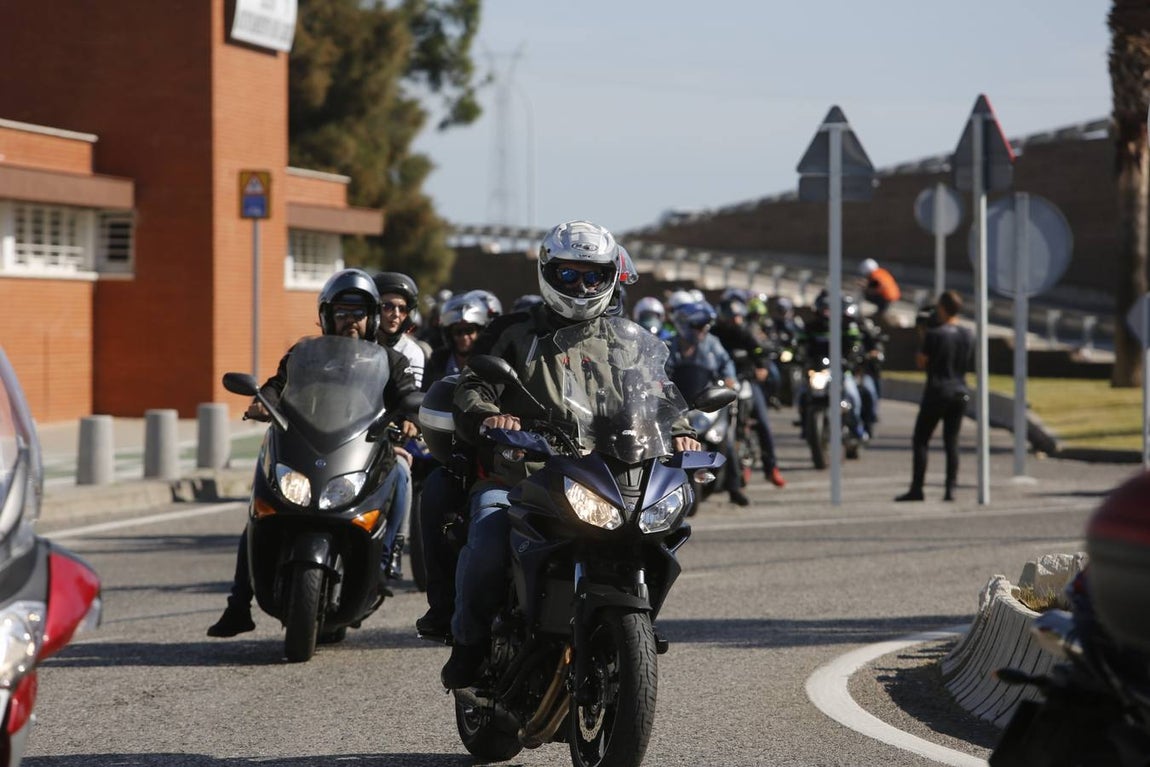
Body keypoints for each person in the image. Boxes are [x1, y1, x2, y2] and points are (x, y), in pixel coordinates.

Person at [439, 219, 700, 688]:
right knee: (487, 532)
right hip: (523, 476)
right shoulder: (514, 331)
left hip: (608, 474)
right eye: (568, 275)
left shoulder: (625, 338)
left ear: (610, 278)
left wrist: (680, 432)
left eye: (593, 276)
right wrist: (489, 416)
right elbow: (473, 385)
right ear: (547, 272)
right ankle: (471, 646)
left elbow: (659, 394)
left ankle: (628, 630)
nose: (581, 286)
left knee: (661, 528)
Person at [207, 268, 419, 637]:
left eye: (358, 313)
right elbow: (277, 386)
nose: (350, 321)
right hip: (308, 448)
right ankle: (238, 603)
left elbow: (405, 395)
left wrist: (413, 415)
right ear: (326, 315)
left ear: (371, 318)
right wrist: (263, 403)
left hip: (363, 449)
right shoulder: (304, 355)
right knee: (261, 509)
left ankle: (387, 560)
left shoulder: (389, 361)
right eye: (342, 312)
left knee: (401, 472)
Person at [665, 300, 749, 507]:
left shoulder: (712, 343)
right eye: (697, 326)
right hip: (679, 407)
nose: (702, 331)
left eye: (705, 326)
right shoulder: (669, 346)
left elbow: (726, 363)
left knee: (726, 441)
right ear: (684, 325)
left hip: (706, 405)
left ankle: (734, 487)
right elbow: (658, 372)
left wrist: (730, 380)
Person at [373, 271, 427, 578]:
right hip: (347, 432)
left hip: (389, 436)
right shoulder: (357, 339)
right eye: (387, 306)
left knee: (403, 472)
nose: (394, 314)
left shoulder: (412, 352)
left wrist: (407, 424)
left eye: (401, 309)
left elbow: (410, 399)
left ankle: (391, 548)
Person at [896, 290, 974, 503]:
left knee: (921, 439)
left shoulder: (934, 334)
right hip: (960, 390)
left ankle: (917, 488)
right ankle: (951, 489)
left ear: (942, 307)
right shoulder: (967, 334)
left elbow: (922, 362)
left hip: (938, 391)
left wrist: (923, 337)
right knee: (952, 442)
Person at [710, 296, 786, 488]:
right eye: (731, 316)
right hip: (720, 385)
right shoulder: (714, 335)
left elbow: (759, 351)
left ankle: (772, 468)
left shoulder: (746, 333)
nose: (736, 320)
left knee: (763, 423)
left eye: (738, 316)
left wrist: (761, 367)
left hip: (746, 382)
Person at [858, 258, 901, 323]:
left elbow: (878, 286)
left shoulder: (874, 275)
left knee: (866, 294)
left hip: (887, 297)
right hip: (892, 296)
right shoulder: (880, 272)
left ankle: (877, 317)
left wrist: (867, 290)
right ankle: (878, 316)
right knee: (881, 312)